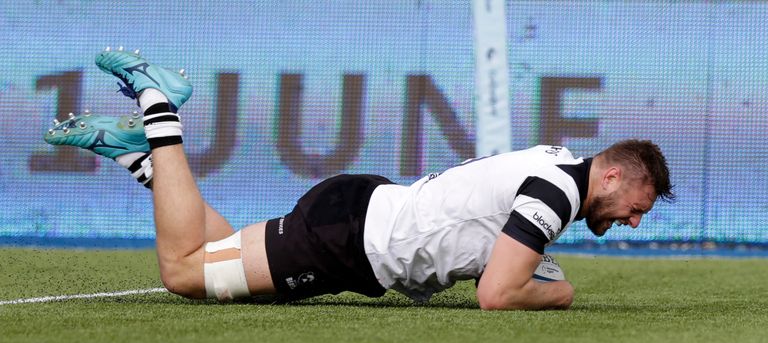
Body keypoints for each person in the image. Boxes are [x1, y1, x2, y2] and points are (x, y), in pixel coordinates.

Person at [45, 48, 674, 310]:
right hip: (351, 238)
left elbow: (490, 257)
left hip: (359, 218)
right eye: (635, 205)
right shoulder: (560, 188)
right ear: (612, 172)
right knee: (184, 273)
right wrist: (558, 292)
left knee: (213, 253)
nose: (633, 220)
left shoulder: (557, 164)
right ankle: (161, 109)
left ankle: (144, 158)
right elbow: (497, 295)